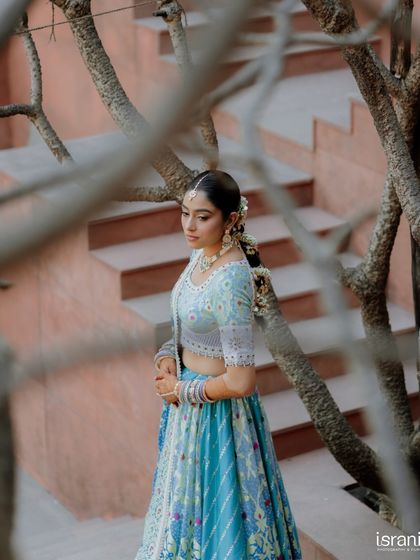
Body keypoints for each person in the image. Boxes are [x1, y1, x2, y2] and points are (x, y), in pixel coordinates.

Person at [134, 170, 302, 560]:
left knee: (219, 526)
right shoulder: (201, 254)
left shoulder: (230, 278)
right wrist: (167, 357)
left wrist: (182, 391)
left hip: (219, 421)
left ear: (231, 220)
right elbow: (191, 327)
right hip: (188, 413)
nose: (189, 225)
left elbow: (241, 380)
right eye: (185, 212)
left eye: (202, 216)